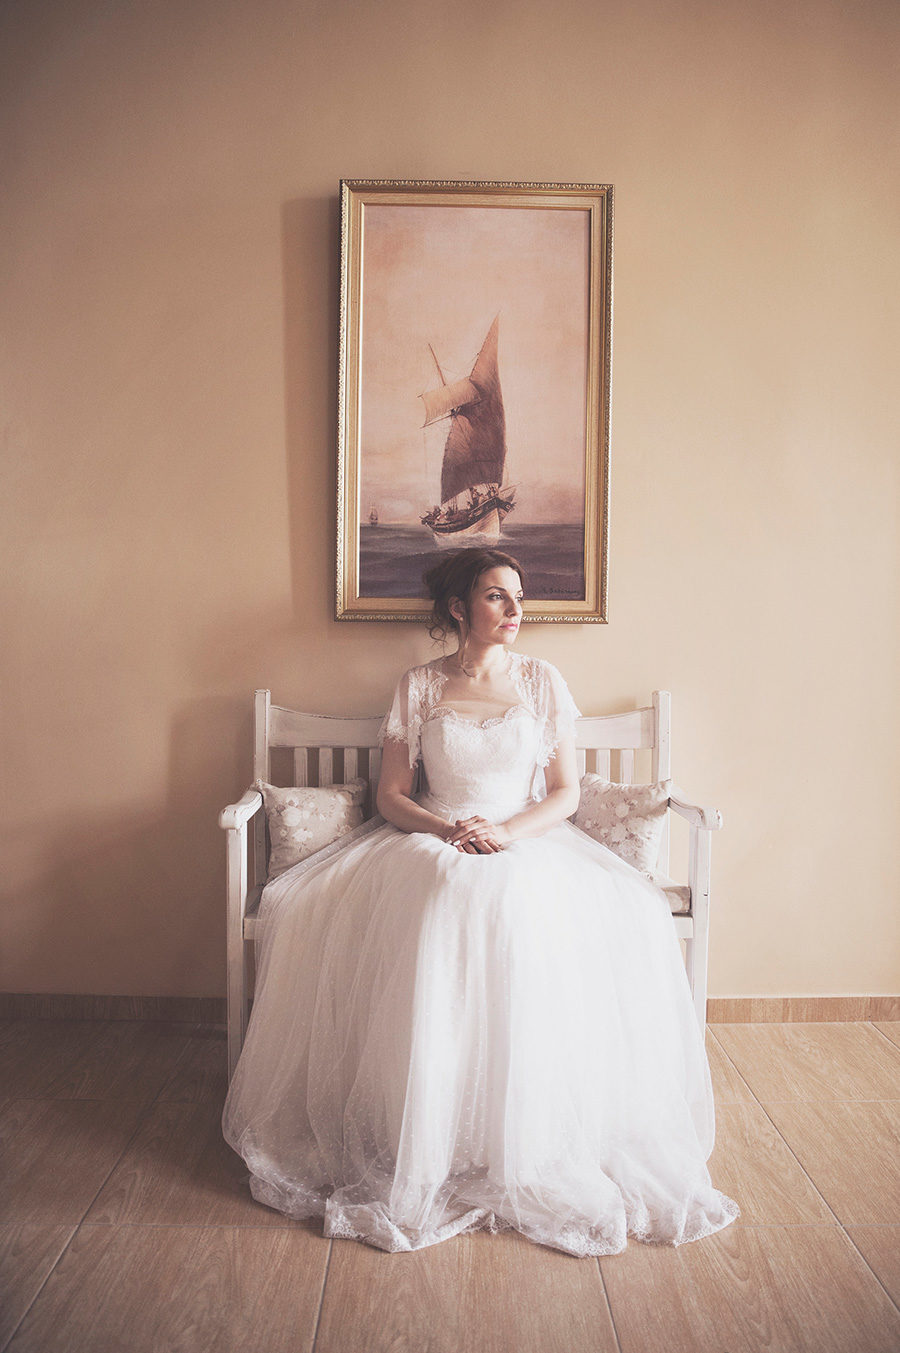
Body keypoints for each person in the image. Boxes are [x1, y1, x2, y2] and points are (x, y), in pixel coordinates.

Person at [222, 547, 739, 1257]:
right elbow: (391, 795)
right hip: (434, 833)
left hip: (525, 836)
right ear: (460, 608)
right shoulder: (419, 686)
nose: (515, 609)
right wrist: (449, 829)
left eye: (518, 596)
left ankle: (521, 1125)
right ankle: (427, 1121)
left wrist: (504, 831)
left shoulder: (543, 681)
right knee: (446, 888)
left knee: (515, 898)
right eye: (497, 596)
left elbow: (563, 792)